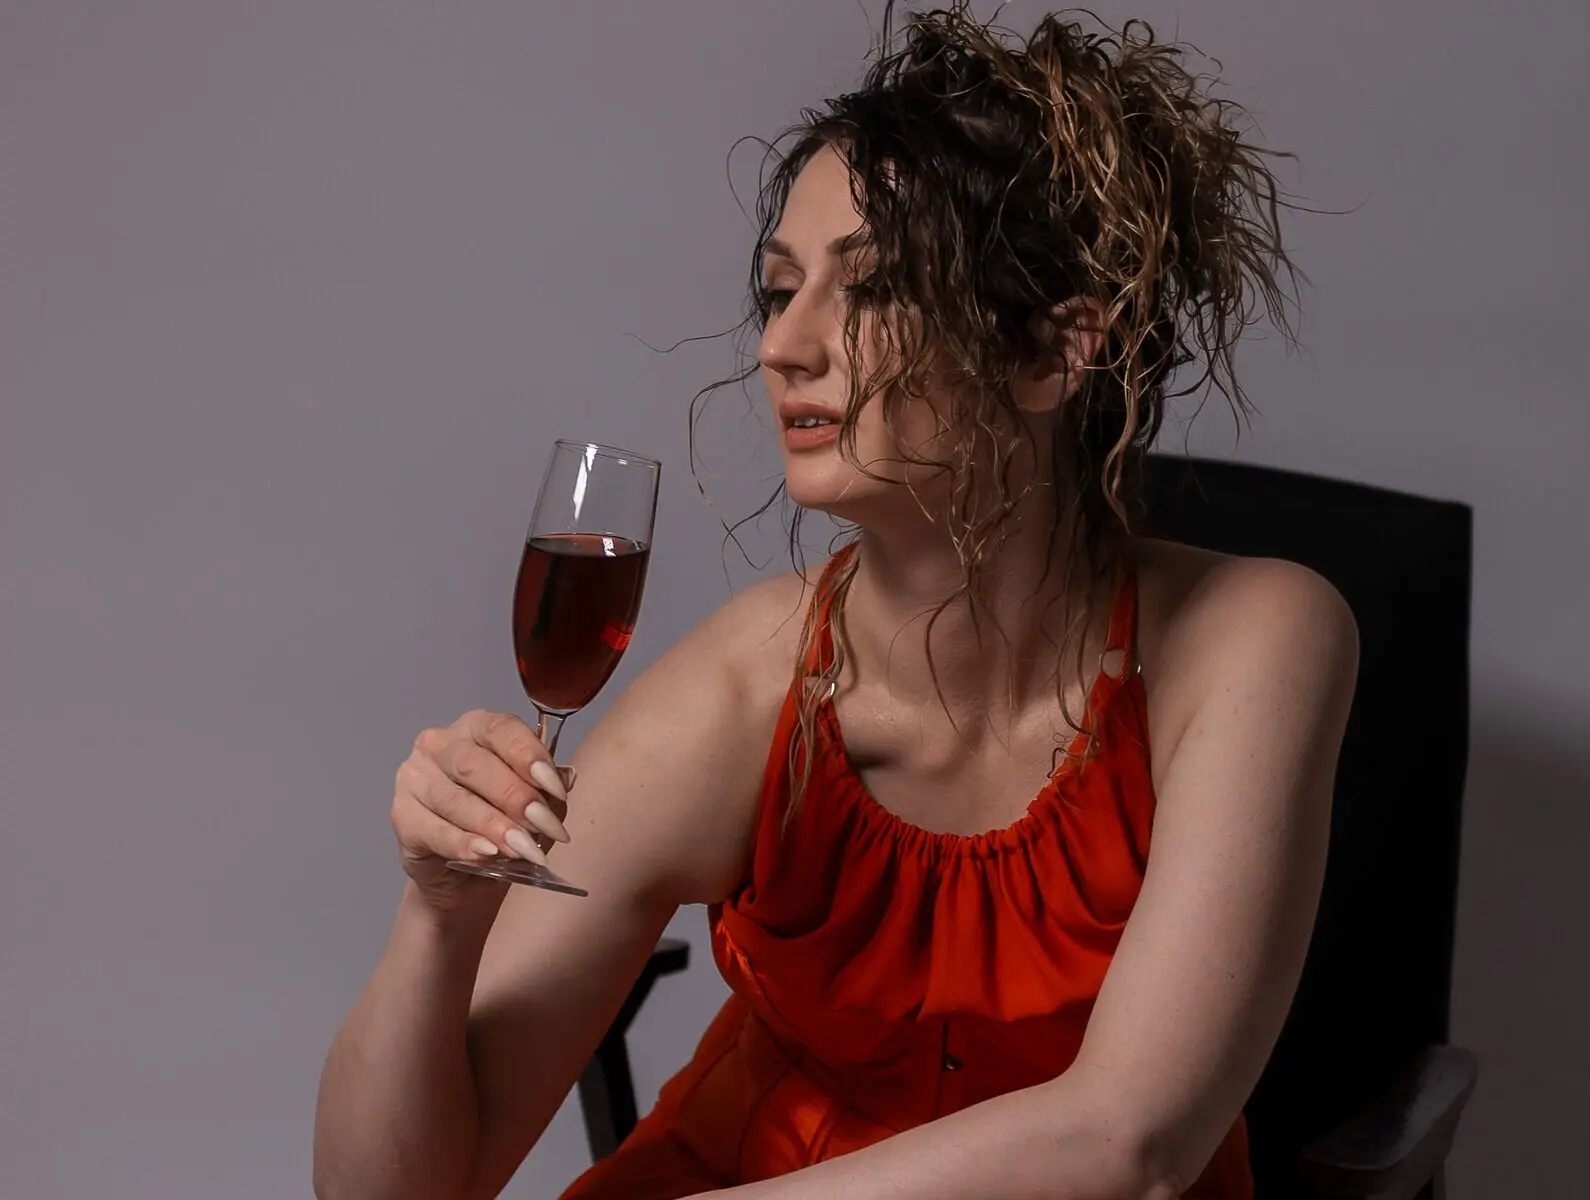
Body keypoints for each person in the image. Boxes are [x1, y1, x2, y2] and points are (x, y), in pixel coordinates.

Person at [313, 5, 1358, 1198]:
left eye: (870, 287)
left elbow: (1129, 1146)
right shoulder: (742, 686)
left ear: (1050, 354)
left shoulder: (1256, 635)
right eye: (779, 289)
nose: (783, 346)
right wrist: (438, 917)